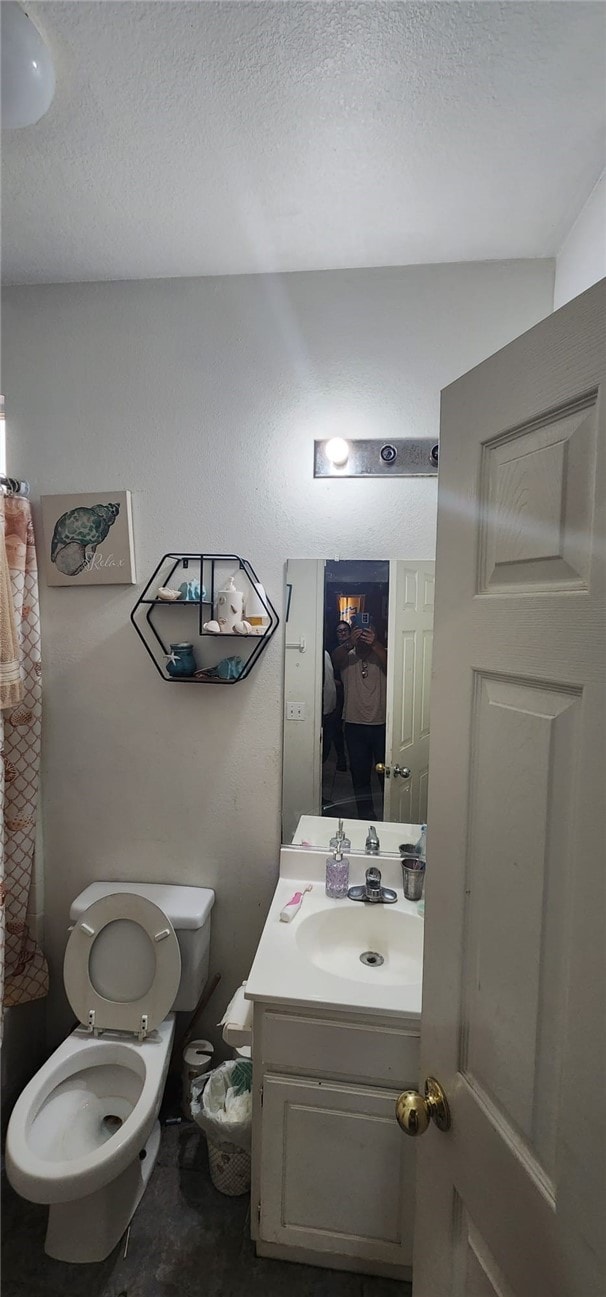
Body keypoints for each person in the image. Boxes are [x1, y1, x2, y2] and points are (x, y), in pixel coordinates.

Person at [331, 619, 386, 820]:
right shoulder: (347, 656)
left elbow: (393, 665)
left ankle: (392, 811)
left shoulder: (382, 653)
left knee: (386, 774)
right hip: (354, 724)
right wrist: (349, 643)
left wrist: (375, 644)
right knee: (359, 774)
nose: (363, 635)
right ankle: (366, 815)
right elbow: (334, 659)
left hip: (381, 724)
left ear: (375, 633)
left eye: (368, 631)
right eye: (359, 631)